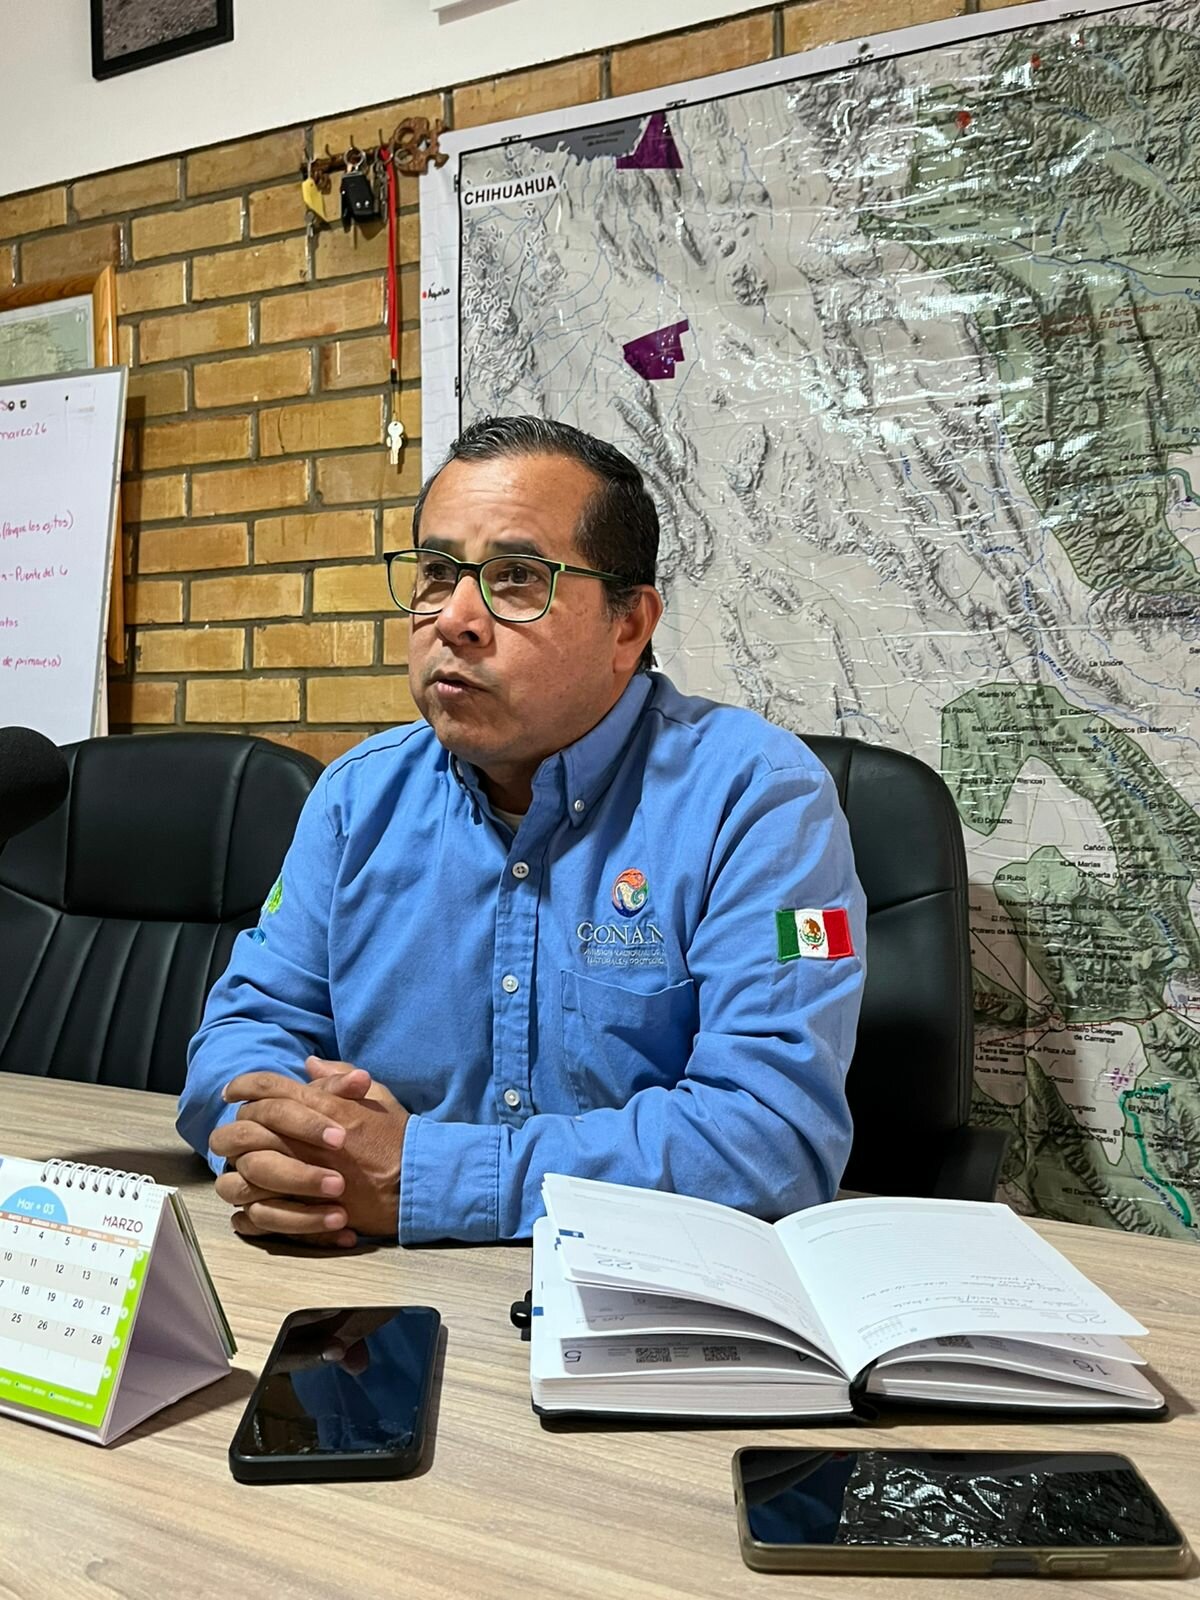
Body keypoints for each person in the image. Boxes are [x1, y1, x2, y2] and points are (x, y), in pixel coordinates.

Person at [177, 416, 866, 1247]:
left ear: (628, 626)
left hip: (638, 1296)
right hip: (360, 1271)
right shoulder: (357, 798)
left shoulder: (757, 800)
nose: (454, 619)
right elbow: (243, 1035)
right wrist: (301, 1151)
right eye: (436, 573)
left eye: (515, 579)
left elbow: (771, 1139)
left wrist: (424, 1174)